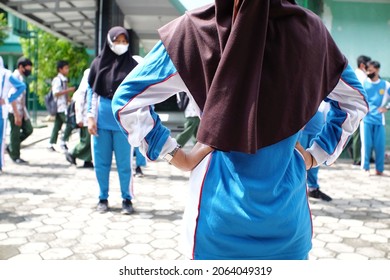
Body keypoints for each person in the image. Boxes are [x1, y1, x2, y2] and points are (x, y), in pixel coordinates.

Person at [112, 0, 367, 260]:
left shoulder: (195, 31)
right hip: (287, 223)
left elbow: (127, 102)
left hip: (215, 222)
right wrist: (317, 154)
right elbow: (354, 100)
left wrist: (175, 155)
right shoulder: (311, 32)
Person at [87, 26, 138, 214]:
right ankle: (103, 198)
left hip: (123, 123)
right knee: (101, 163)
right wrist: (90, 117)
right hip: (101, 122)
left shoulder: (132, 65)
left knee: (125, 164)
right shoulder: (97, 64)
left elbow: (137, 94)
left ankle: (127, 199)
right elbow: (91, 93)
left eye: (124, 41)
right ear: (109, 41)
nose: (121, 45)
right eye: (117, 41)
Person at [361, 60, 390, 176]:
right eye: (367, 70)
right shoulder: (363, 83)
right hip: (366, 120)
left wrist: (387, 108)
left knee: (379, 146)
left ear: (377, 70)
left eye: (371, 70)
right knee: (366, 145)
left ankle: (379, 169)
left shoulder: (386, 85)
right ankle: (365, 168)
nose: (369, 72)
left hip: (379, 120)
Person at [300, 102, 332, 201]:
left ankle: (313, 188)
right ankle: (297, 191)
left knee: (315, 160)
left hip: (317, 129)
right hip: (302, 129)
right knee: (299, 160)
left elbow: (327, 109)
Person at [0, 56, 26, 173]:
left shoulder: (6, 74)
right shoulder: (7, 74)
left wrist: (7, 100)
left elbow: (21, 87)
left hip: (3, 111)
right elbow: (21, 87)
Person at [7, 57, 34, 164]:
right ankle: (15, 156)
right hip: (14, 111)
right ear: (21, 67)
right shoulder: (15, 77)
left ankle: (12, 146)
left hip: (21, 111)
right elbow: (11, 96)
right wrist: (17, 114)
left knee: (28, 129)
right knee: (15, 133)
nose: (29, 70)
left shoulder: (21, 78)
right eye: (28, 68)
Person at [65, 68, 93, 168]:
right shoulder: (84, 88)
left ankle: (87, 160)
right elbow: (79, 103)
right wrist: (79, 118)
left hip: (89, 117)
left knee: (89, 141)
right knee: (86, 141)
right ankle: (72, 153)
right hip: (85, 118)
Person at [347, 55, 372, 165]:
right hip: (358, 108)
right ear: (362, 65)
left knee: (356, 133)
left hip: (357, 107)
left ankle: (357, 153)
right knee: (357, 134)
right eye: (368, 64)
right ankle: (357, 159)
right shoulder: (361, 76)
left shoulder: (357, 74)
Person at [48, 60, 75, 152]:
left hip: (63, 106)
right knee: (70, 123)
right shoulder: (57, 80)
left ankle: (51, 143)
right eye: (66, 68)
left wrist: (70, 99)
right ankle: (63, 141)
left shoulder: (64, 79)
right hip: (60, 107)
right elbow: (56, 93)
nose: (67, 70)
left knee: (57, 125)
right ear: (60, 69)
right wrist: (69, 90)